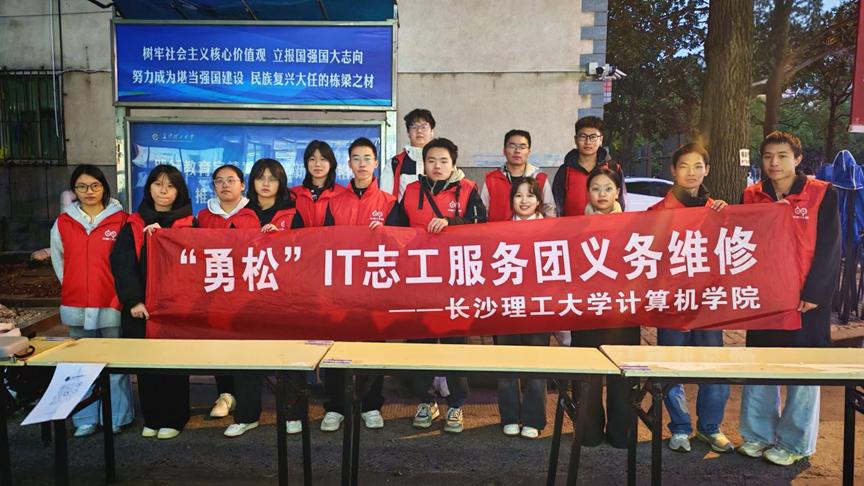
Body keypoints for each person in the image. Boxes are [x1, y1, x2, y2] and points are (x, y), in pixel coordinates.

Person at [737, 131, 840, 466]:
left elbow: (830, 247)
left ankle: (795, 443)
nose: (774, 163)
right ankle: (757, 435)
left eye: (782, 156)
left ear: (797, 159)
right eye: (768, 156)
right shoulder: (751, 195)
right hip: (765, 297)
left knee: (802, 372)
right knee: (760, 366)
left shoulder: (822, 194)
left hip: (806, 300)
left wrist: (814, 293)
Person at [647, 143, 733, 453]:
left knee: (713, 368)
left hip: (708, 303)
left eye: (698, 166)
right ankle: (680, 427)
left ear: (707, 170)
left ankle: (710, 427)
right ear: (673, 170)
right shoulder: (657, 213)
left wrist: (726, 218)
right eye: (684, 166)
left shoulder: (718, 211)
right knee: (671, 367)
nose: (691, 172)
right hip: (672, 304)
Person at [397, 138, 487, 434]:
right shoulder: (411, 191)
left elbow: (482, 227)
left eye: (443, 161)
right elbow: (395, 228)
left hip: (454, 280)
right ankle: (425, 401)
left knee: (454, 344)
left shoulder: (468, 189)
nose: (437, 166)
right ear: (424, 164)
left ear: (453, 164)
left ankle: (456, 404)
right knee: (419, 343)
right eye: (431, 160)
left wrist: (451, 221)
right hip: (419, 279)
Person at [318, 138, 399, 432]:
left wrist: (386, 233)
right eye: (356, 158)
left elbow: (401, 244)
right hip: (341, 286)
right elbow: (325, 242)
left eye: (367, 158)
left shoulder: (389, 202)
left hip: (375, 284)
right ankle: (335, 407)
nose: (362, 164)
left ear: (376, 163)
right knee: (336, 344)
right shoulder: (335, 201)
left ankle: (370, 405)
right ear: (349, 163)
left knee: (373, 344)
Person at [110, 164, 194, 440]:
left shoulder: (190, 224)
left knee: (174, 365)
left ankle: (175, 417)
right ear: (148, 189)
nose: (163, 191)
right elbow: (123, 265)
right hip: (142, 309)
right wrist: (134, 300)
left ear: (179, 191)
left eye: (170, 186)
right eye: (158, 184)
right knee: (147, 364)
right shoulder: (134, 224)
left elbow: (198, 266)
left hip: (177, 310)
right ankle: (153, 416)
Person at [50, 164, 134, 437]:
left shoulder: (120, 220)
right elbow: (59, 260)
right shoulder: (64, 222)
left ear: (104, 187)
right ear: (74, 190)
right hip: (76, 302)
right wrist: (73, 285)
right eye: (82, 186)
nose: (89, 191)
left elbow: (127, 262)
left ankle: (117, 416)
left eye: (95, 185)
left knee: (115, 361)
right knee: (80, 361)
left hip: (111, 300)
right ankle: (84, 418)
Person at [224, 158, 304, 438]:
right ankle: (247, 416)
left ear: (281, 182)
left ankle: (293, 414)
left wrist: (282, 240)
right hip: (248, 298)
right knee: (247, 358)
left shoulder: (292, 214)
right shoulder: (240, 215)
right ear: (252, 182)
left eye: (272, 178)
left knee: (291, 358)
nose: (266, 183)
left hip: (285, 297)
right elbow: (227, 255)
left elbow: (307, 252)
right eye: (260, 178)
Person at [569, 166, 639, 448]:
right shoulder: (574, 228)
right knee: (587, 374)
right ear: (588, 192)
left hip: (622, 312)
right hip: (586, 311)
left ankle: (621, 431)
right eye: (595, 188)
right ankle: (589, 430)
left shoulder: (633, 226)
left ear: (618, 192)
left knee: (623, 373)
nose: (602, 194)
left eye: (608, 188)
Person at [197, 164, 260, 420]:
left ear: (242, 185)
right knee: (218, 342)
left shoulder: (253, 215)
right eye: (219, 181)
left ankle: (245, 396)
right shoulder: (202, 217)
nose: (225, 185)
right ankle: (224, 394)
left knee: (244, 343)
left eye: (231, 180)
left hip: (245, 291)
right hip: (215, 290)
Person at [496, 177, 550, 439]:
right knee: (506, 362)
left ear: (539, 200)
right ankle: (509, 416)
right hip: (507, 307)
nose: (524, 200)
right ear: (511, 201)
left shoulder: (552, 230)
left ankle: (533, 419)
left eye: (530, 195)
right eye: (518, 196)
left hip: (538, 307)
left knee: (536, 364)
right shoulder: (500, 231)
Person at [552, 116, 626, 216]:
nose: (588, 142)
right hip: (571, 226)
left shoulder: (613, 168)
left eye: (593, 137)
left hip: (605, 225)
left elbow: (622, 203)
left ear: (601, 139)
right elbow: (556, 208)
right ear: (575, 139)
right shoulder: (565, 171)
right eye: (583, 136)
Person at [480, 129, 556, 220]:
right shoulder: (492, 179)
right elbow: (482, 212)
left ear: (529, 151)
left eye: (522, 147)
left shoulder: (539, 178)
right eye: (512, 146)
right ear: (504, 151)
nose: (517, 151)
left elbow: (550, 210)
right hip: (499, 229)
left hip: (532, 229)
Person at [379, 108, 436, 200]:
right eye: (414, 127)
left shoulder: (441, 162)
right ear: (408, 133)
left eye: (423, 127)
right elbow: (385, 199)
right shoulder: (394, 163)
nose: (419, 131)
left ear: (432, 131)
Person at [291, 140, 347, 227]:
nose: (317, 164)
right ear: (306, 163)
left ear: (331, 164)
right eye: (312, 159)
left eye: (323, 159)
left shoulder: (343, 194)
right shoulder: (293, 195)